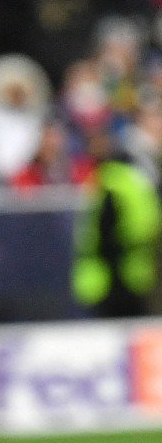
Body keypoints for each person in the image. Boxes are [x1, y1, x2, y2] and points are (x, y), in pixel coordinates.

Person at [73, 132, 161, 318]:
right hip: (138, 273)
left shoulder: (110, 183)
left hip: (111, 277)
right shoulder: (140, 184)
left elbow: (103, 233)